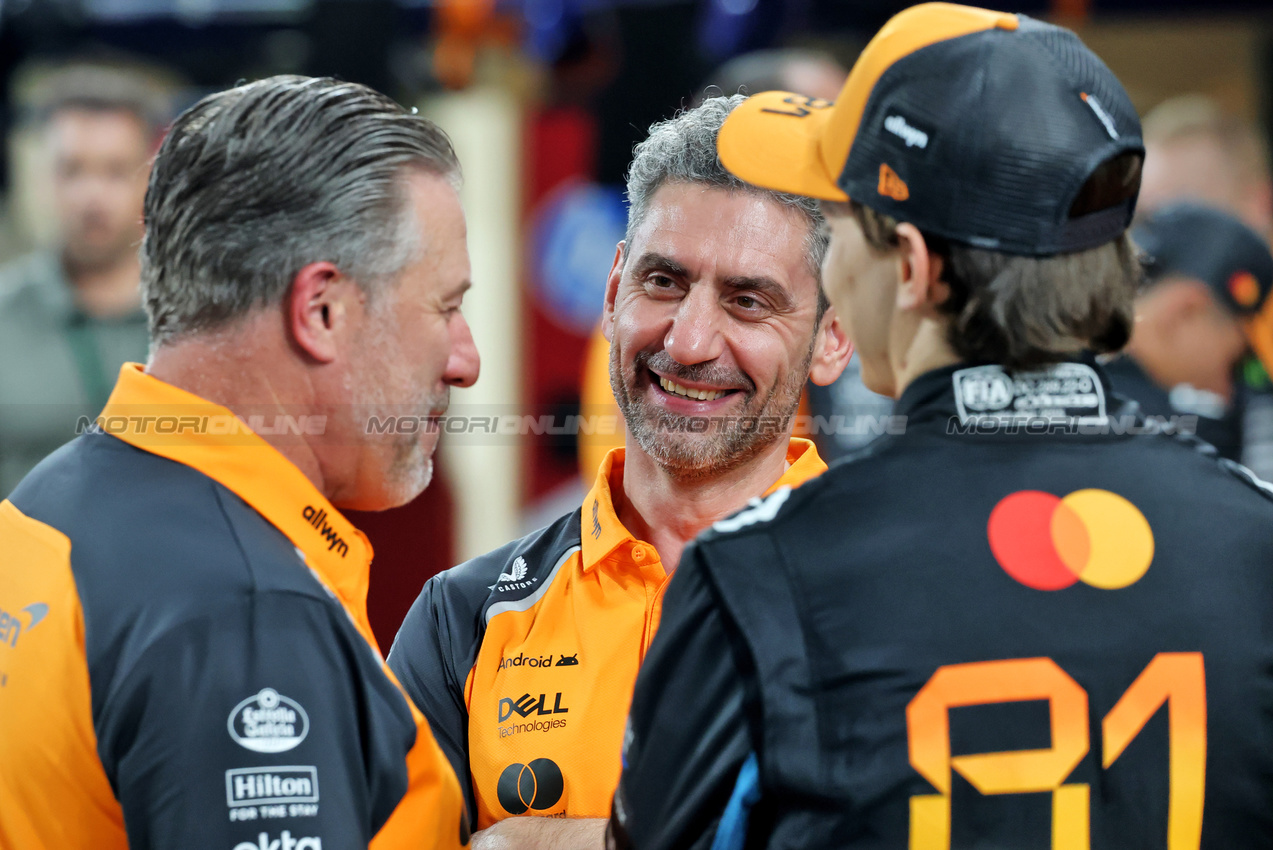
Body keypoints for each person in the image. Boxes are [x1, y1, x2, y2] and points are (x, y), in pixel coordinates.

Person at [612, 4, 1273, 848]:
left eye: (839, 226)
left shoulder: (758, 574)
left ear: (915, 270)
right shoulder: (1255, 538)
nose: (831, 263)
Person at [0, 76, 479, 849]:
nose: (466, 361)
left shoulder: (43, 506)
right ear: (321, 312)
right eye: (444, 306)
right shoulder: (250, 613)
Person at [388, 95, 851, 849]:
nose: (691, 340)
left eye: (747, 301)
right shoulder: (463, 619)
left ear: (834, 338)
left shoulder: (897, 595)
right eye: (663, 282)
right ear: (612, 289)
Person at [0, 63, 167, 495]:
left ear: (150, 175)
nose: (92, 196)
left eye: (115, 170)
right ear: (42, 175)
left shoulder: (201, 318)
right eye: (72, 169)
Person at [1106, 203, 1273, 461]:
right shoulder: (1183, 438)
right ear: (1184, 312)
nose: (1230, 389)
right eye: (1237, 363)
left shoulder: (1053, 370)